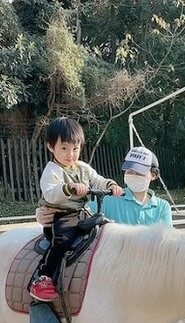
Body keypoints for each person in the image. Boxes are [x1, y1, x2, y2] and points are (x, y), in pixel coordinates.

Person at [90, 146, 175, 323]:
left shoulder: (161, 207)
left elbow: (166, 244)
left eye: (138, 173)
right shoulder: (112, 202)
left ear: (152, 176)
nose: (132, 177)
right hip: (117, 285)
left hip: (150, 287)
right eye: (128, 172)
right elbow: (88, 218)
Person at [29, 117, 123, 302]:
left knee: (105, 229)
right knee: (63, 240)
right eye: (64, 148)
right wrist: (69, 187)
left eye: (75, 148)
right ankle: (43, 278)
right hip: (61, 216)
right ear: (50, 147)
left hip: (81, 214)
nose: (70, 154)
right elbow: (50, 193)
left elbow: (98, 180)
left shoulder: (83, 168)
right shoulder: (52, 170)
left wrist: (112, 185)